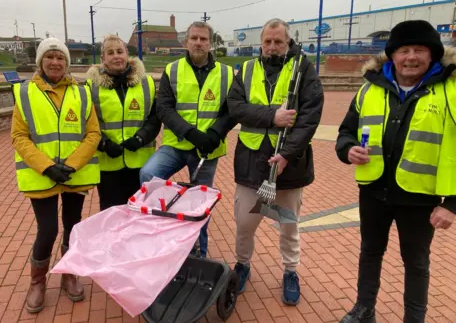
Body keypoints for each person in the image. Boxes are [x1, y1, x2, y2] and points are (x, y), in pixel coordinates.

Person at [335, 20, 456, 323]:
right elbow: (345, 132)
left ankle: (413, 319)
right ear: (392, 55)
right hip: (374, 191)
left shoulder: (452, 91)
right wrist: (347, 149)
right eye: (404, 50)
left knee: (416, 263)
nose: (411, 57)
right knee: (370, 254)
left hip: (420, 197)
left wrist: (454, 204)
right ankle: (364, 310)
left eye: (419, 50)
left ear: (432, 55)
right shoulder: (370, 89)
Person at [227, 18, 324, 305]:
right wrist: (272, 115)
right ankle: (242, 264)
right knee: (244, 222)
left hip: (289, 164)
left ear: (287, 42)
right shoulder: (245, 70)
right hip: (250, 162)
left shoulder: (303, 69)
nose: (272, 46)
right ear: (261, 42)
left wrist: (287, 154)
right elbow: (235, 107)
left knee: (288, 226)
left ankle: (290, 271)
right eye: (267, 41)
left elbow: (310, 116)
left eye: (278, 41)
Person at [11, 38, 101, 313]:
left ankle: (69, 273)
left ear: (67, 63)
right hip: (42, 176)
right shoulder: (25, 93)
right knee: (48, 229)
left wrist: (72, 165)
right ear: (41, 62)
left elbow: (93, 133)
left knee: (73, 226)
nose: (55, 62)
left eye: (60, 57)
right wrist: (47, 166)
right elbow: (19, 136)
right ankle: (37, 282)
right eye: (49, 57)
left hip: (75, 175)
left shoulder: (82, 92)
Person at [139, 21, 236, 258]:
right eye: (194, 38)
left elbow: (233, 109)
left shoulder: (226, 73)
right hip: (176, 145)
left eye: (203, 39)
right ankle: (166, 230)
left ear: (211, 44)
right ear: (186, 42)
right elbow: (164, 108)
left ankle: (199, 252)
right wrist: (190, 132)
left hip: (208, 149)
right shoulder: (172, 70)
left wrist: (214, 134)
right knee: (148, 175)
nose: (198, 43)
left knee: (200, 200)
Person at [86, 35, 160, 211]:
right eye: (110, 53)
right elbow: (87, 124)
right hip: (108, 163)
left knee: (140, 212)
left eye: (120, 51)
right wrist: (103, 144)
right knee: (112, 214)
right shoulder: (91, 87)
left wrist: (141, 138)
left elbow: (155, 117)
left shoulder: (146, 83)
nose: (116, 56)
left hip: (141, 163)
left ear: (127, 54)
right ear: (103, 59)